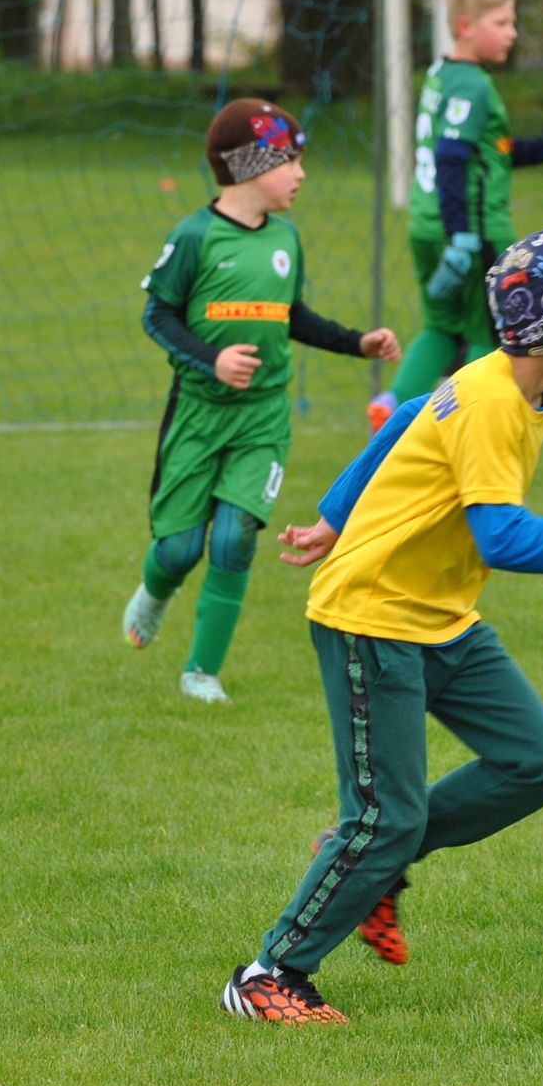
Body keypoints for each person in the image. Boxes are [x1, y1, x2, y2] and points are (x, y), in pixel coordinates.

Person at [219, 230, 543, 1025]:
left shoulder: (510, 384)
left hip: (440, 617)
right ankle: (269, 974)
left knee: (536, 761)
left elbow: (407, 416)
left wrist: (334, 515)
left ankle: (373, 862)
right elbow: (502, 539)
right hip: (373, 617)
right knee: (386, 817)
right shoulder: (493, 402)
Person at [122, 98, 401, 704]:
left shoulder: (286, 239)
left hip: (263, 416)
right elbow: (157, 315)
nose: (301, 174)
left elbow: (291, 316)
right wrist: (213, 359)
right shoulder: (194, 237)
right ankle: (156, 590)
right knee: (178, 549)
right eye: (289, 162)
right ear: (250, 166)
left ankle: (201, 672)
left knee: (233, 539)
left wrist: (357, 342)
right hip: (197, 414)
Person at [367, 0, 543, 431]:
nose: (512, 33)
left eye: (512, 22)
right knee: (487, 331)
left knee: (440, 326)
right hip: (473, 232)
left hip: (425, 224)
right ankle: (467, 426)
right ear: (465, 26)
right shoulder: (473, 85)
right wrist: (462, 237)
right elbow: (453, 158)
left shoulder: (441, 74)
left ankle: (391, 408)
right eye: (501, 23)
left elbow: (488, 152)